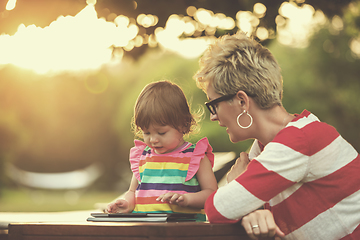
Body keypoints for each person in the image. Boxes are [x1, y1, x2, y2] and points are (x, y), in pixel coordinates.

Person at [194, 32, 360, 239]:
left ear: (242, 102)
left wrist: (237, 181)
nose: (213, 117)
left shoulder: (300, 141)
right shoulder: (266, 148)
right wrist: (250, 210)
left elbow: (216, 209)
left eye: (213, 105)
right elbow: (236, 207)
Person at [106, 80, 218, 221]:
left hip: (184, 230)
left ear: (184, 124)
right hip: (145, 229)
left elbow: (212, 194)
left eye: (161, 133)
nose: (153, 140)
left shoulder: (195, 157)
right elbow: (132, 191)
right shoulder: (143, 157)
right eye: (147, 133)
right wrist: (127, 203)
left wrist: (187, 199)